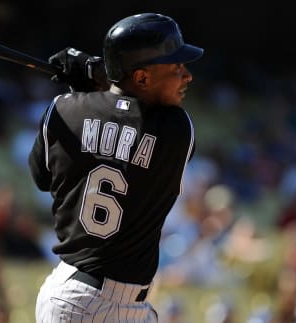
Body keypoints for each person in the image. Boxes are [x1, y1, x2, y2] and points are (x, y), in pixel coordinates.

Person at [29, 12, 204, 322]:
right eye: (176, 67)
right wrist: (96, 74)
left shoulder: (63, 109)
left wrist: (82, 90)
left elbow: (43, 177)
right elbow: (127, 115)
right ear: (141, 77)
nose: (187, 75)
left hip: (80, 297)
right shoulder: (176, 130)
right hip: (92, 303)